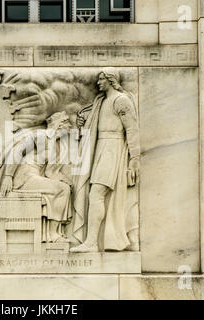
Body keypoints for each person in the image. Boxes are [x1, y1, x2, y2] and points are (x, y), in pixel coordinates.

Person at [70, 68, 140, 253]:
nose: (98, 82)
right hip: (99, 147)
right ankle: (92, 241)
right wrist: (83, 125)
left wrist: (134, 159)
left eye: (101, 79)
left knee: (96, 194)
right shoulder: (101, 101)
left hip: (112, 148)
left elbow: (132, 129)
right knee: (93, 194)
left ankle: (92, 242)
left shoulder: (121, 100)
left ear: (111, 79)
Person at [0, 112, 72, 243]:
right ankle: (53, 234)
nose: (70, 127)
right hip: (25, 177)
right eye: (68, 124)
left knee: (64, 188)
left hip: (35, 177)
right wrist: (8, 176)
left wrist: (66, 180)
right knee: (63, 190)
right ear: (59, 125)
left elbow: (50, 173)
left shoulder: (55, 146)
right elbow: (17, 152)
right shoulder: (40, 135)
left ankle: (52, 233)